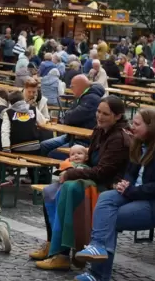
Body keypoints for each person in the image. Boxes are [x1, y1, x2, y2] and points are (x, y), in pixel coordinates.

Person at [73, 108, 155, 281]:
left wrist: (131, 190)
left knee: (109, 218)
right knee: (105, 199)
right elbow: (131, 171)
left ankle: (98, 274)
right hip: (135, 194)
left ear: (151, 126)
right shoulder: (139, 143)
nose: (132, 127)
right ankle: (97, 247)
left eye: (137, 124)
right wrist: (125, 183)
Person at [33, 96, 132, 271]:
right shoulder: (100, 130)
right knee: (50, 190)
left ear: (117, 116)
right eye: (98, 112)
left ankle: (63, 253)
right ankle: (52, 243)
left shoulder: (119, 138)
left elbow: (104, 173)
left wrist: (73, 172)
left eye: (105, 114)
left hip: (108, 185)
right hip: (94, 178)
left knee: (68, 188)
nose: (99, 116)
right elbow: (92, 162)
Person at [40, 75, 105, 159]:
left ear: (80, 86)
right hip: (71, 136)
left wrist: (67, 116)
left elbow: (71, 117)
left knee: (53, 154)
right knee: (44, 145)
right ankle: (42, 172)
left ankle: (66, 171)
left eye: (72, 86)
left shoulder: (91, 98)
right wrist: (67, 116)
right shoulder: (83, 96)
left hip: (84, 140)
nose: (70, 89)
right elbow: (70, 115)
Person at [1, 92, 46, 183]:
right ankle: (35, 182)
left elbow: (5, 131)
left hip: (17, 147)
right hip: (34, 146)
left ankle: (5, 176)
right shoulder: (33, 109)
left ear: (10, 103)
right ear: (23, 99)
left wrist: (6, 148)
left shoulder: (8, 112)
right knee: (36, 156)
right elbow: (42, 122)